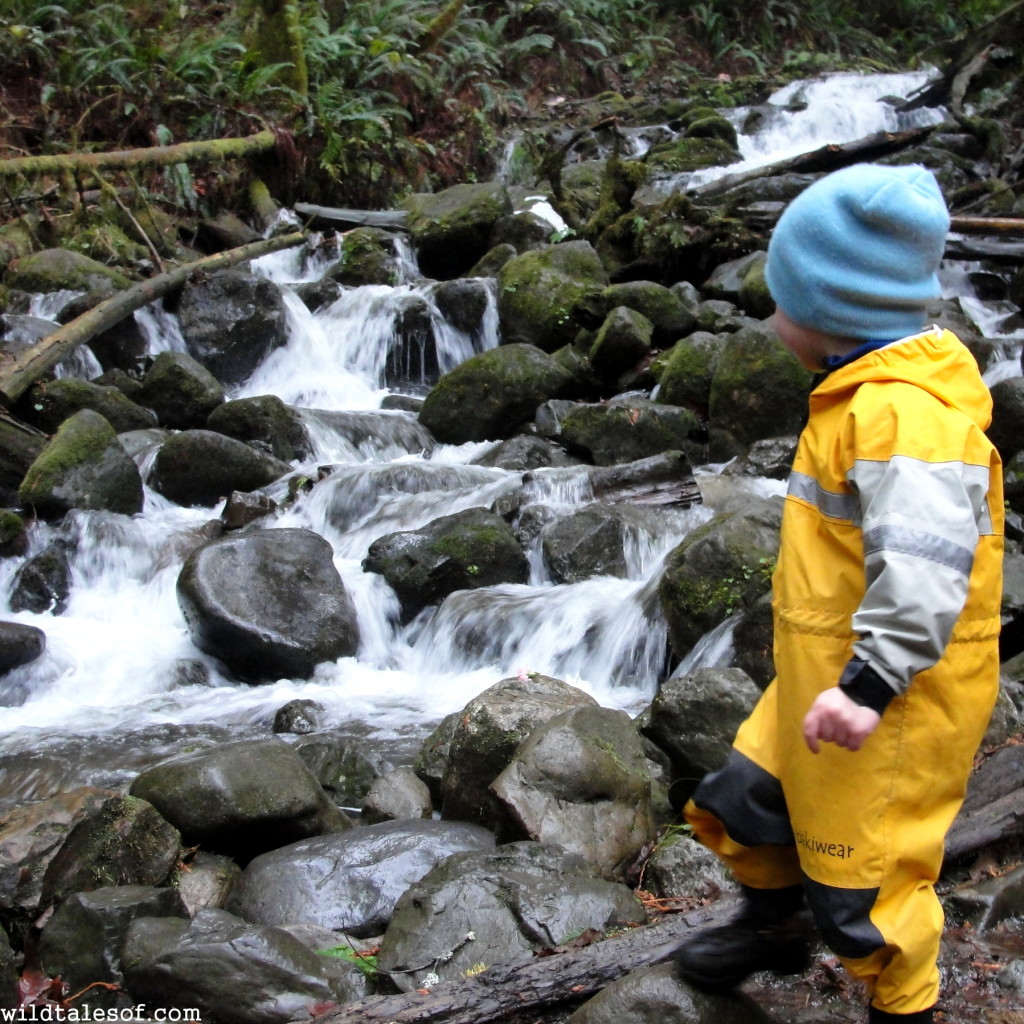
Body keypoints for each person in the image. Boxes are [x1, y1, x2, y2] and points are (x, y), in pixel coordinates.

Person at [672, 163, 1004, 1024]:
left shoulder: (906, 417)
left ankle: (905, 1005)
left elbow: (928, 566)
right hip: (824, 677)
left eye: (782, 298)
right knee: (748, 800)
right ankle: (774, 926)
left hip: (891, 697)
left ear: (831, 312)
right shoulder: (857, 397)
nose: (771, 314)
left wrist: (870, 686)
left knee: (871, 884)